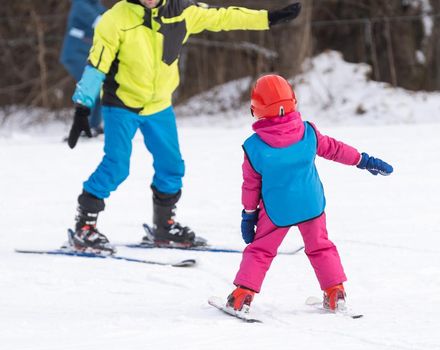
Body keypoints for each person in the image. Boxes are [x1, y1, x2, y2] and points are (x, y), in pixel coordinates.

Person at [66, 0, 303, 254]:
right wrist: (83, 106)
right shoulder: (115, 19)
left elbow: (224, 18)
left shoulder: (182, 11)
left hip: (158, 106)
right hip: (122, 104)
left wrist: (267, 19)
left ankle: (164, 226)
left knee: (172, 166)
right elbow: (97, 64)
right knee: (116, 166)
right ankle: (85, 226)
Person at [223, 75, 394, 314]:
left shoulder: (254, 147)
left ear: (256, 109)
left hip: (276, 211)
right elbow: (334, 149)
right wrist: (363, 160)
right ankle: (335, 293)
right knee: (321, 247)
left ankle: (242, 296)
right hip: (311, 205)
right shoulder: (308, 132)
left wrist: (249, 214)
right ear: (293, 101)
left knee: (260, 250)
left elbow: (250, 186)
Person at [60, 0, 106, 137]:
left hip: (88, 53)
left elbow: (111, 17)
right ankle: (85, 126)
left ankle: (93, 125)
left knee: (98, 86)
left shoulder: (95, 4)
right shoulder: (81, 4)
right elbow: (101, 22)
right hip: (74, 54)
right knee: (91, 86)